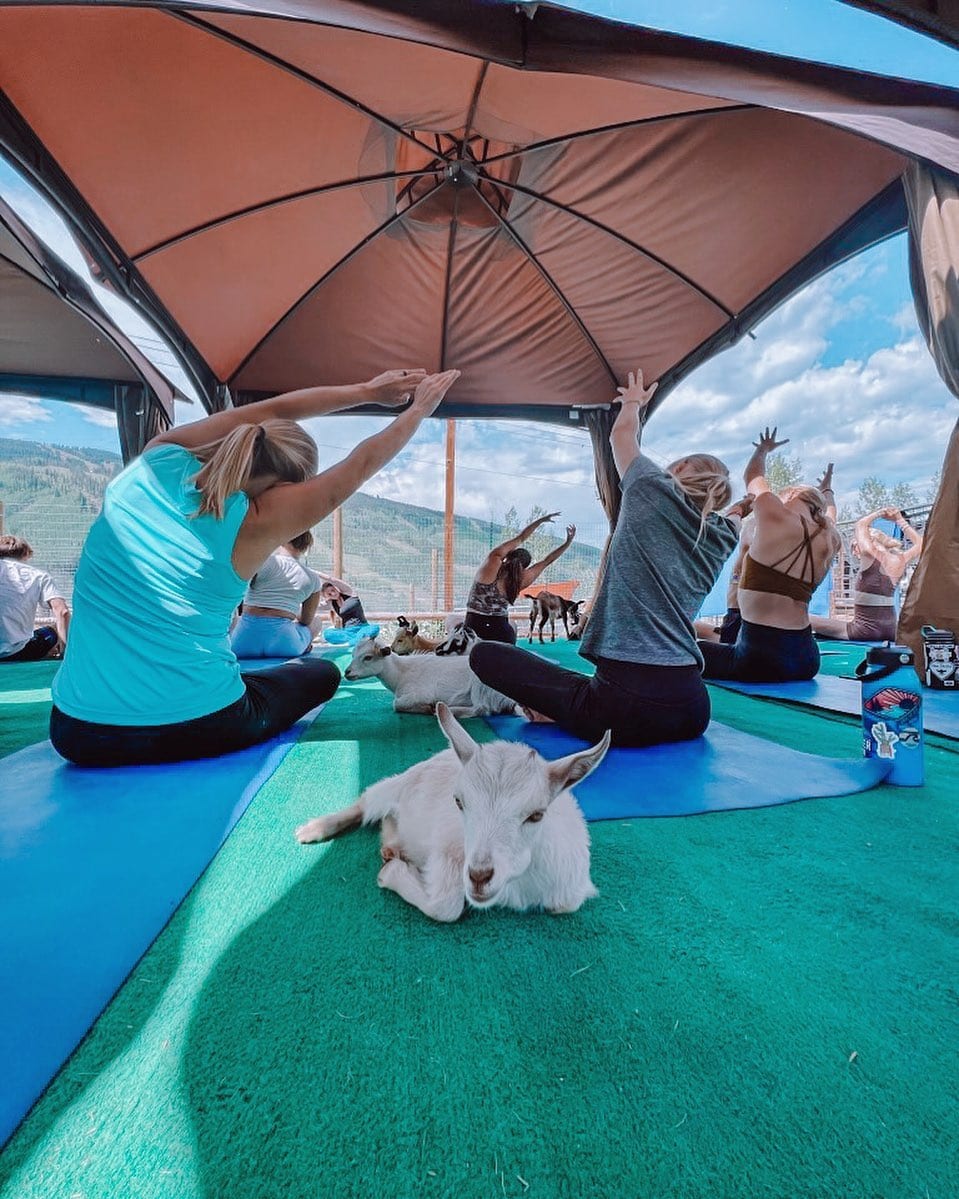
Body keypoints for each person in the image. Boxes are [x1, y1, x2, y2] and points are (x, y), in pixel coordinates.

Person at [49, 367, 460, 767]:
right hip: (198, 723)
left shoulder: (153, 462)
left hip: (77, 730)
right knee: (319, 673)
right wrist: (418, 409)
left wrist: (366, 391)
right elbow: (358, 465)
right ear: (284, 490)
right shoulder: (254, 520)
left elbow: (272, 409)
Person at [470, 369, 740, 747]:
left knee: (485, 655)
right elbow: (735, 513)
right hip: (693, 710)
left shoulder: (651, 486)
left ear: (677, 469)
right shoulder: (725, 535)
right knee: (578, 685)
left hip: (623, 711)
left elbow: (620, 435)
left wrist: (632, 401)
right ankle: (573, 705)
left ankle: (566, 711)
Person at [699, 433, 841, 683]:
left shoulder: (775, 515)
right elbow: (830, 510)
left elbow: (752, 477)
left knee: (676, 652)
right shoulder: (830, 535)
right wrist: (827, 489)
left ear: (789, 496)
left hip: (759, 657)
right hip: (807, 658)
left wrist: (762, 450)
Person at [810, 503, 923, 642]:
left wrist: (881, 513)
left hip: (864, 630)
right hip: (891, 630)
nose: (854, 550)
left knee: (804, 618)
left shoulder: (870, 554)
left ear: (868, 542)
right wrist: (899, 519)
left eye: (855, 544)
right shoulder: (898, 560)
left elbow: (860, 524)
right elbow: (920, 544)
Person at [464, 514, 577, 644]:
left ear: (507, 557)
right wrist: (568, 542)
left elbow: (521, 538)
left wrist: (540, 520)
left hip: (473, 628)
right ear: (524, 567)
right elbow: (547, 561)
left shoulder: (492, 562)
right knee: (511, 627)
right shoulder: (523, 579)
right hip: (501, 632)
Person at [229, 531, 324, 659]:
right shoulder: (313, 578)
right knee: (317, 622)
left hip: (241, 643)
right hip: (286, 645)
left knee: (236, 619)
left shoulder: (262, 562)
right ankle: (303, 645)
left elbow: (237, 592)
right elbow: (306, 620)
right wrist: (288, 611)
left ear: (282, 540)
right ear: (306, 546)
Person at [0, 535, 70, 662]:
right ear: (26, 554)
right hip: (19, 652)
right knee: (53, 629)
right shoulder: (39, 576)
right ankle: (53, 653)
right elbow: (62, 612)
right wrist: (64, 650)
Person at [317, 575, 380, 645]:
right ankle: (356, 641)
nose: (333, 593)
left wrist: (314, 573)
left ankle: (352, 642)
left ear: (336, 588)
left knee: (374, 628)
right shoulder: (330, 604)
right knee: (327, 634)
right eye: (329, 594)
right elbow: (314, 606)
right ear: (326, 597)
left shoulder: (350, 593)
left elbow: (331, 579)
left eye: (333, 590)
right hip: (348, 632)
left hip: (362, 628)